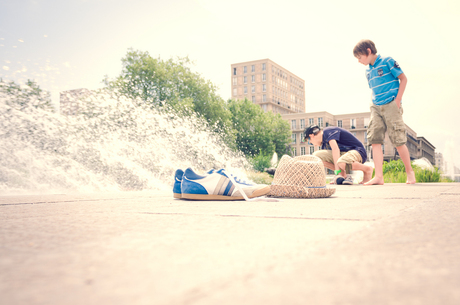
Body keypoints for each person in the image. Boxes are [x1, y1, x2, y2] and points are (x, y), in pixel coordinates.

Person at [353, 39, 416, 185]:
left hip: (391, 104)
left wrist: (398, 99)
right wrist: (372, 105)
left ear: (368, 51)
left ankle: (410, 172)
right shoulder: (368, 71)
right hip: (376, 107)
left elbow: (403, 78)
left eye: (359, 57)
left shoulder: (387, 61)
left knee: (398, 139)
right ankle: (379, 177)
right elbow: (374, 89)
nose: (359, 61)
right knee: (375, 139)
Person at [304, 125, 373, 185]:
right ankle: (343, 175)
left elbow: (335, 149)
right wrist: (339, 177)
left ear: (311, 136)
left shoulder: (327, 131)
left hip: (357, 151)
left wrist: (337, 173)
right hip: (344, 155)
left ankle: (367, 169)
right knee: (317, 157)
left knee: (341, 163)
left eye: (310, 143)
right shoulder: (324, 145)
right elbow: (335, 157)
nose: (314, 144)